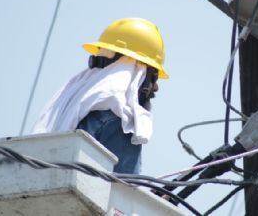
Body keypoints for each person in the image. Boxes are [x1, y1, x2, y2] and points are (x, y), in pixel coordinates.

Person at [32, 18, 168, 174]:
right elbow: (123, 190)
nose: (154, 88)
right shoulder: (120, 121)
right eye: (152, 77)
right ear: (140, 72)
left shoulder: (70, 111)